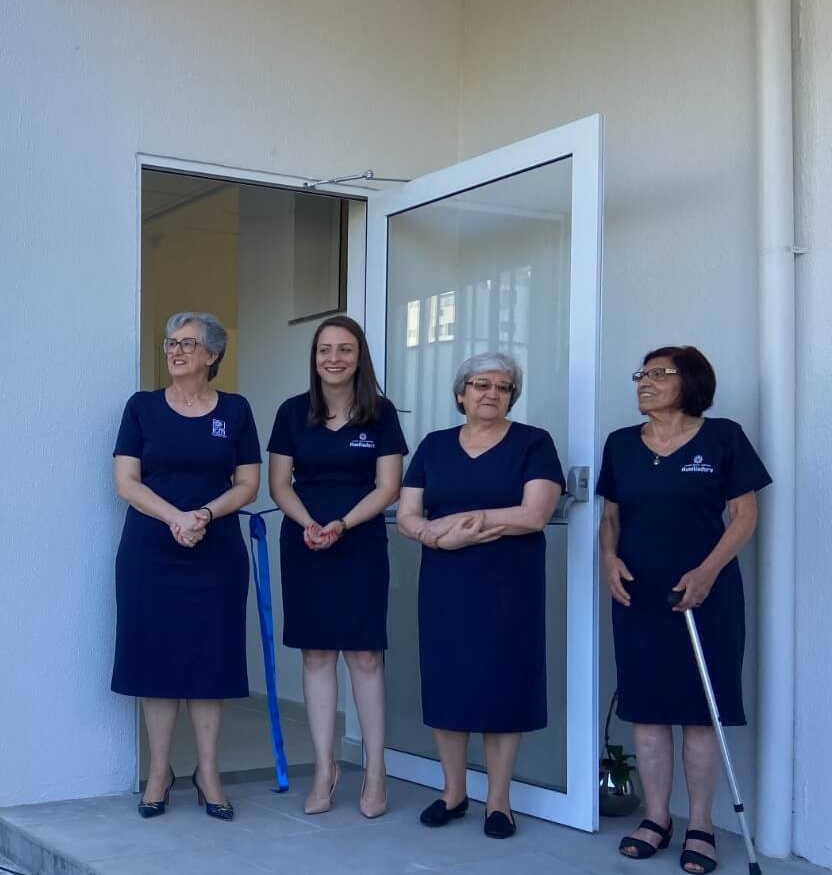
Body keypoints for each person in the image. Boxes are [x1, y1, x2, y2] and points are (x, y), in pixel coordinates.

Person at [599, 346, 769, 875]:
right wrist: (608, 559)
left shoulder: (724, 438)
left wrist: (707, 572)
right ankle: (656, 818)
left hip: (706, 593)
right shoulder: (622, 444)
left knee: (701, 710)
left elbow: (744, 516)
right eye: (640, 375)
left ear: (689, 381)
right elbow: (611, 516)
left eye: (658, 374)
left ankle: (699, 824)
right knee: (647, 709)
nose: (644, 382)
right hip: (639, 594)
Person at [396, 353, 563, 839]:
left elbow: (533, 515)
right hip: (446, 582)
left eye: (503, 386)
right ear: (460, 394)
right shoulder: (433, 445)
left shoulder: (533, 442)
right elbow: (408, 515)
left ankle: (498, 802)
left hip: (509, 584)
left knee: (502, 684)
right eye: (480, 384)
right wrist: (436, 537)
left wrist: (456, 525)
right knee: (448, 682)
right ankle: (452, 793)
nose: (491, 393)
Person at [112, 312, 261, 822]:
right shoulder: (142, 408)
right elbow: (126, 482)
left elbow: (247, 485)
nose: (176, 351)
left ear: (213, 355)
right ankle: (159, 773)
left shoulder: (236, 411)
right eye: (170, 342)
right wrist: (176, 516)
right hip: (151, 549)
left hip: (215, 548)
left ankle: (208, 772)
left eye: (188, 344)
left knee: (210, 660)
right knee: (156, 661)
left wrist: (202, 514)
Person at [267, 315, 405, 818]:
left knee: (365, 657)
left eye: (345, 350)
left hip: (359, 540)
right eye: (325, 349)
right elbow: (280, 483)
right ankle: (325, 768)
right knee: (317, 655)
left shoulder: (381, 414)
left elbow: (388, 486)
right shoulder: (291, 412)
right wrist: (310, 523)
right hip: (304, 540)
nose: (334, 358)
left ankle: (375, 769)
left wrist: (341, 525)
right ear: (314, 356)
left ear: (359, 357)